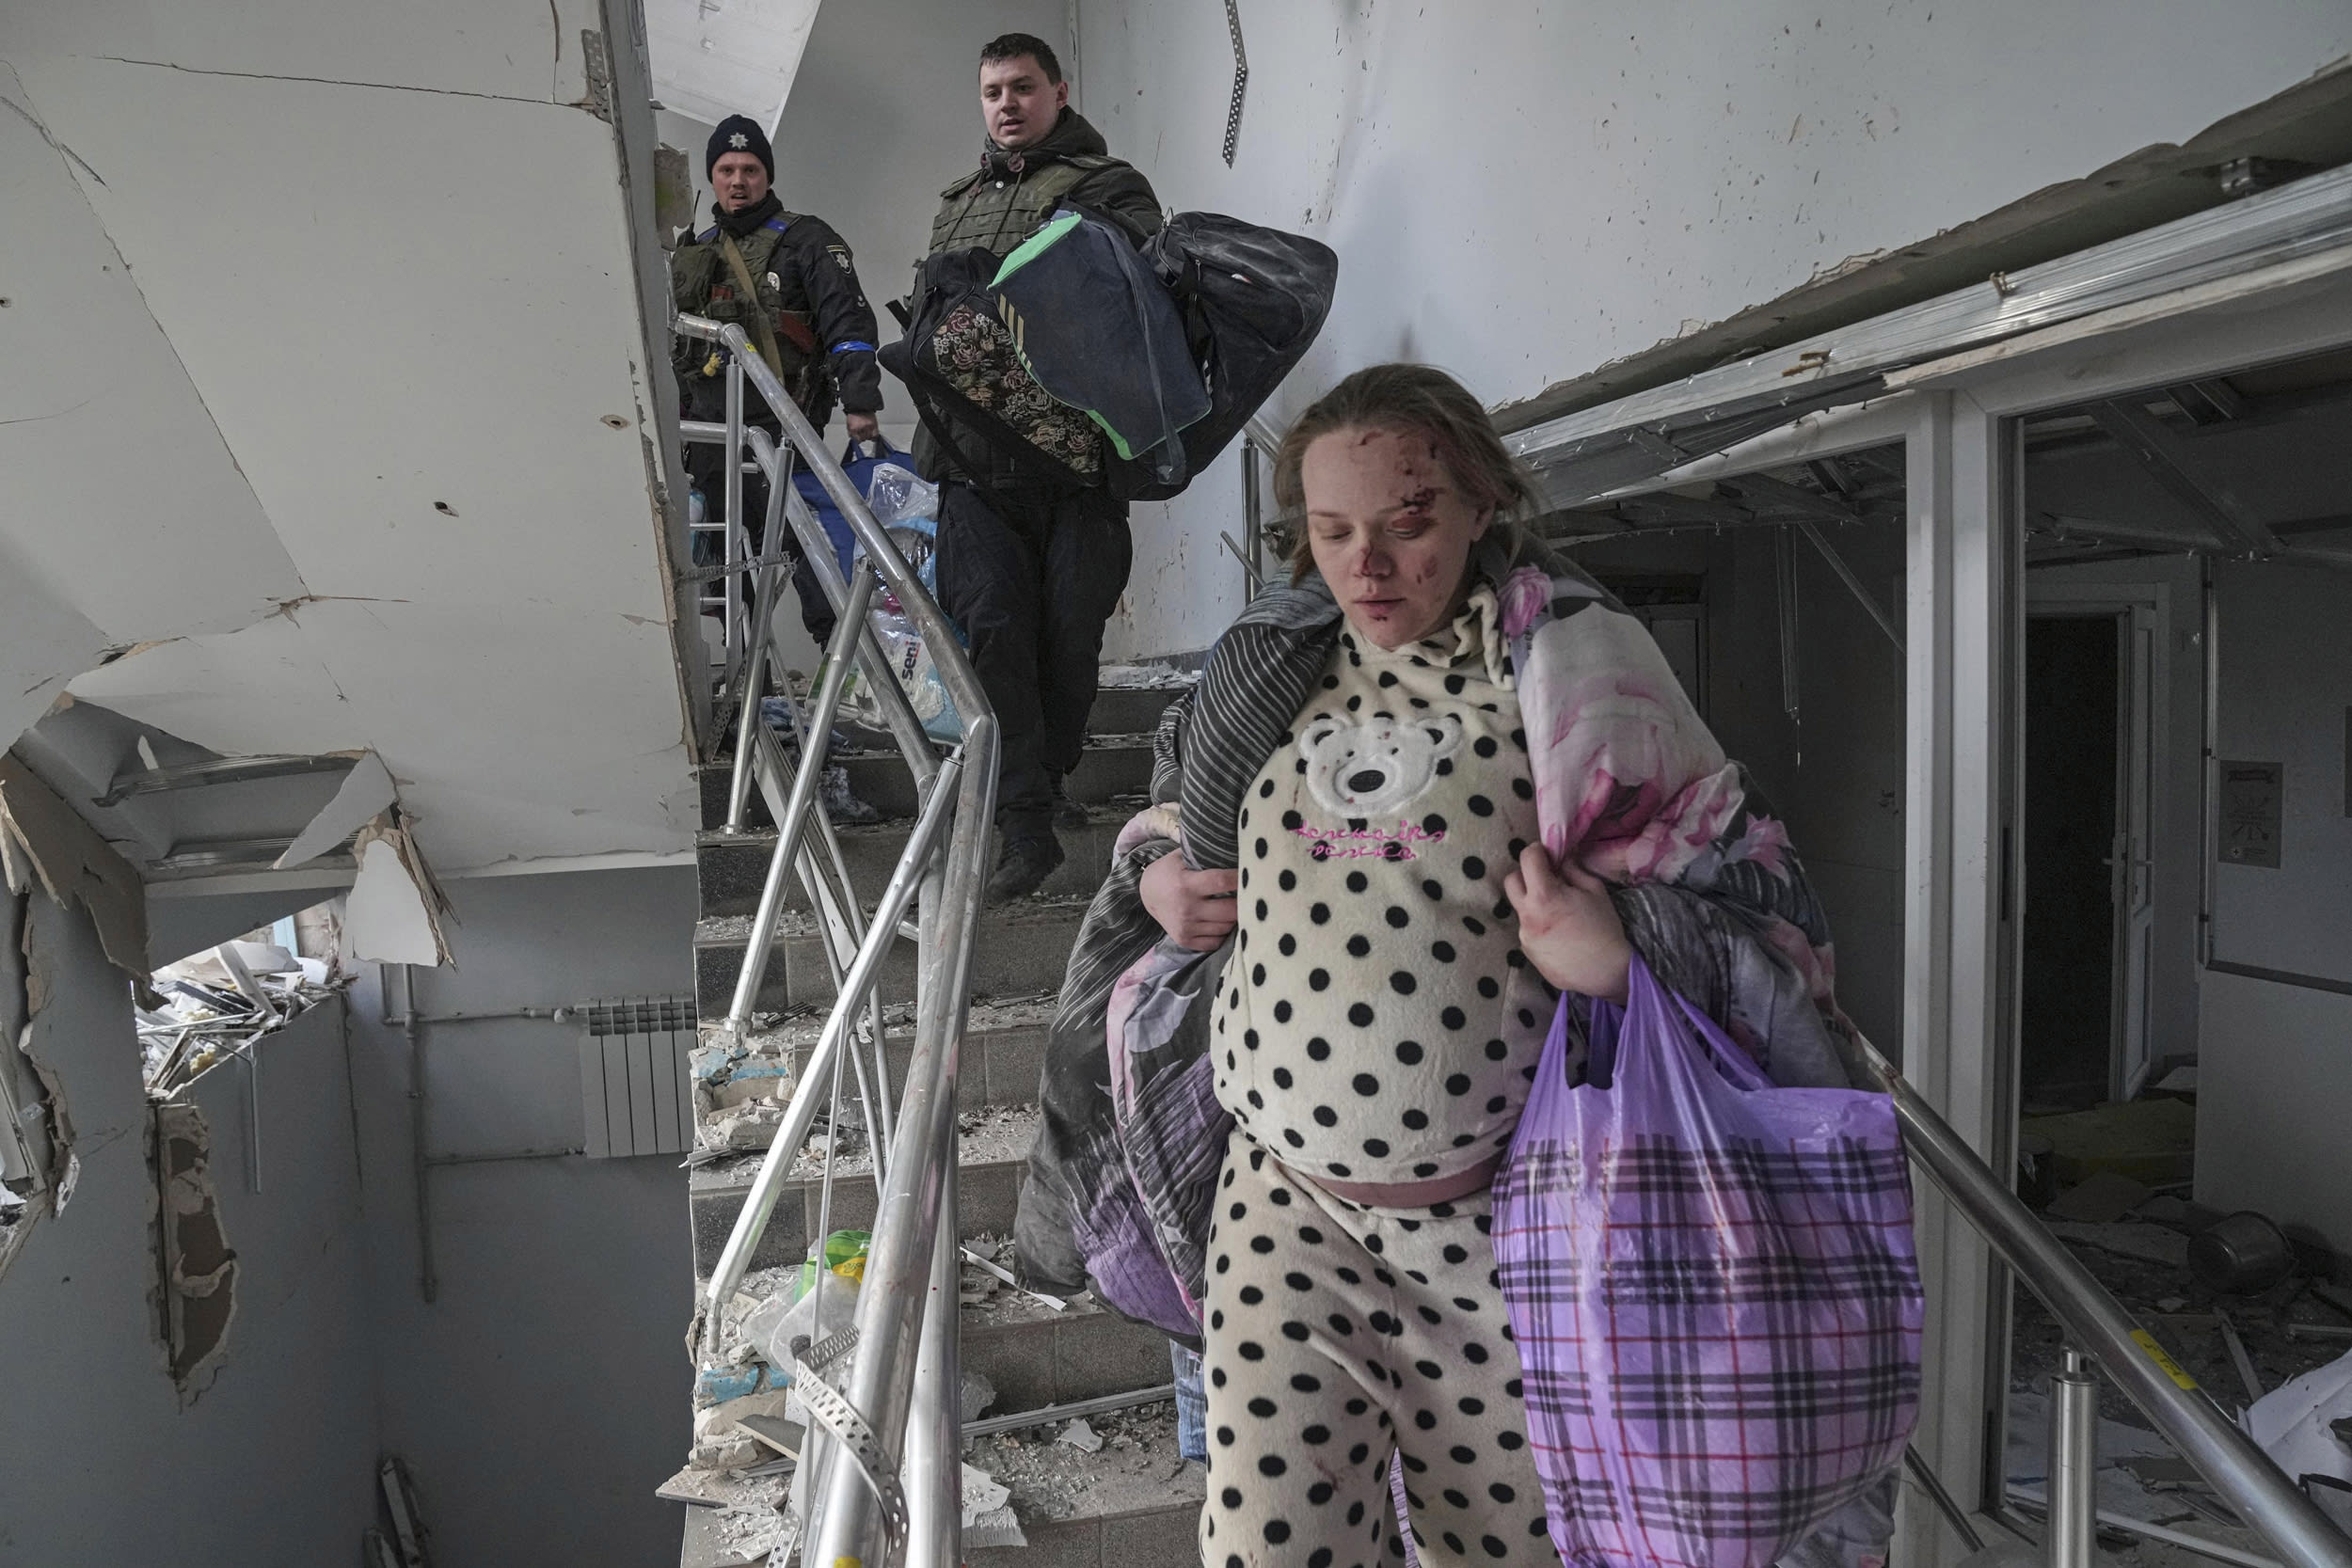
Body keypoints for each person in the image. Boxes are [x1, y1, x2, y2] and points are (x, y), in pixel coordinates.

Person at [1101, 365, 1895, 1566]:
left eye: (1407, 521)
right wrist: (1158, 871)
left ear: (1480, 503)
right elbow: (1170, 816)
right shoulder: (1265, 666)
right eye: (1332, 531)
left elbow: (1748, 897)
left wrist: (1621, 956)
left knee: (1504, 1550)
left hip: (1505, 1231)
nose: (1367, 566)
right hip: (1283, 1209)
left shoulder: (1579, 669)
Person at [916, 33, 1164, 902]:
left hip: (1077, 460)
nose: (1007, 105)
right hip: (972, 461)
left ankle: (1048, 777)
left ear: (1059, 92)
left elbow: (1131, 297)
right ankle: (1021, 825)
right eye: (993, 91)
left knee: (1068, 638)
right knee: (993, 634)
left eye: (1022, 87)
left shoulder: (1110, 185)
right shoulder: (955, 204)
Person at [673, 113, 884, 821]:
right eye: (726, 171)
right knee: (728, 589)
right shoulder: (693, 252)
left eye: (750, 170)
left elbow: (847, 324)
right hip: (709, 447)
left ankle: (854, 696)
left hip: (781, 440)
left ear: (767, 175)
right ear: (712, 178)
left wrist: (861, 406)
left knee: (819, 577)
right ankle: (751, 705)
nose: (738, 181)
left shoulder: (806, 242)